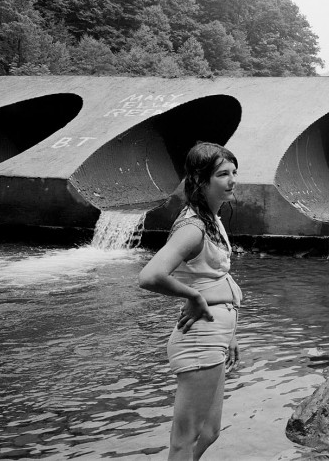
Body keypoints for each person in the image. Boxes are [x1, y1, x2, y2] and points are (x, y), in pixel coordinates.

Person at [138, 142, 242, 460]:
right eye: (223, 174)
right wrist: (193, 296)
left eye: (234, 172)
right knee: (185, 438)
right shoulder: (193, 227)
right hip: (199, 340)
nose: (233, 180)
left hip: (215, 337)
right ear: (200, 180)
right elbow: (150, 275)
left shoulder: (212, 218)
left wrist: (231, 333)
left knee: (209, 431)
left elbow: (216, 277)